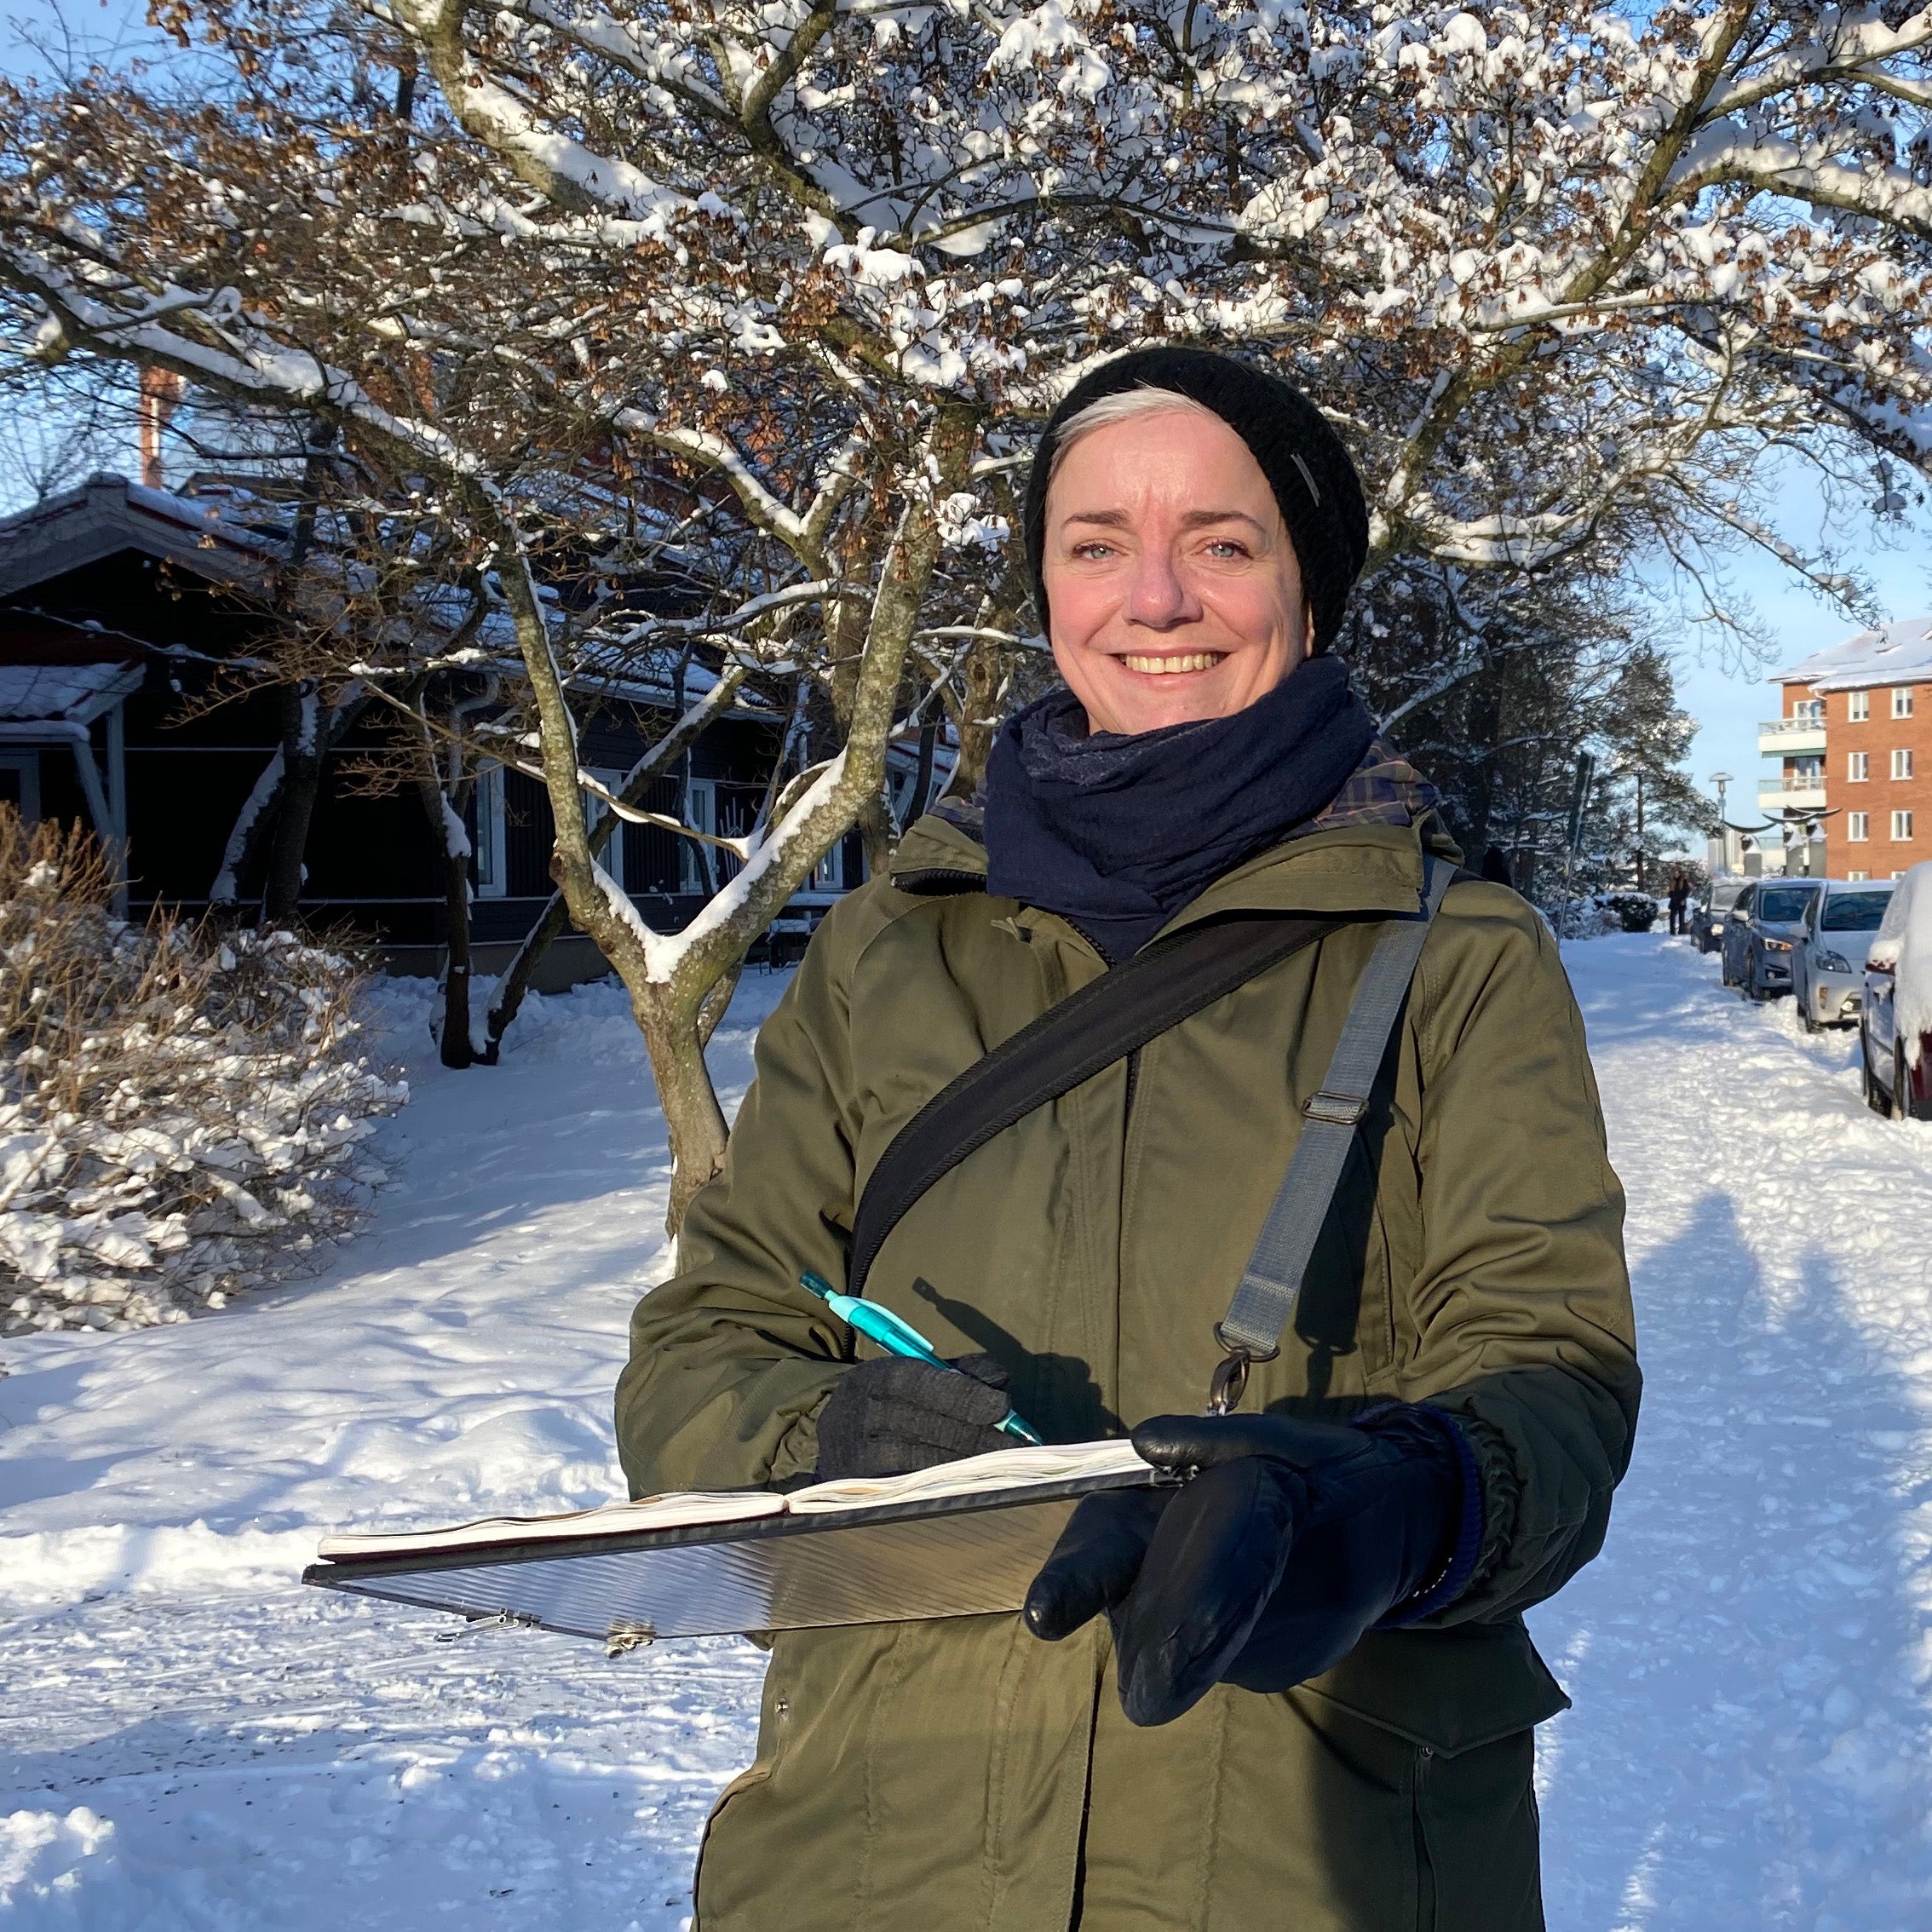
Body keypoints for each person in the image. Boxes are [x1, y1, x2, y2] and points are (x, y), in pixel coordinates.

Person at [617, 348, 1640, 1932]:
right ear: (1045, 589)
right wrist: (839, 1448)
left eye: (1221, 543)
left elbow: (1552, 1383)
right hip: (880, 1853)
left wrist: (1386, 1510)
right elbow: (704, 1345)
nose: (1154, 598)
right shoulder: (885, 950)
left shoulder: (1460, 956)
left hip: (1308, 1861)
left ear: (1309, 591)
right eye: (1096, 544)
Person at [1668, 870, 1691, 937]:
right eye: (1675, 873)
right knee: (1672, 917)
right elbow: (1670, 890)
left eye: (1677, 873)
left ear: (1680, 874)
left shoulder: (1683, 881)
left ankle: (1681, 931)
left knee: (1681, 917)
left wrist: (1684, 898)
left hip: (1681, 900)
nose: (1676, 875)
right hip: (1674, 901)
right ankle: (1672, 931)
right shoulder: (1672, 881)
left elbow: (1687, 890)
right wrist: (1670, 895)